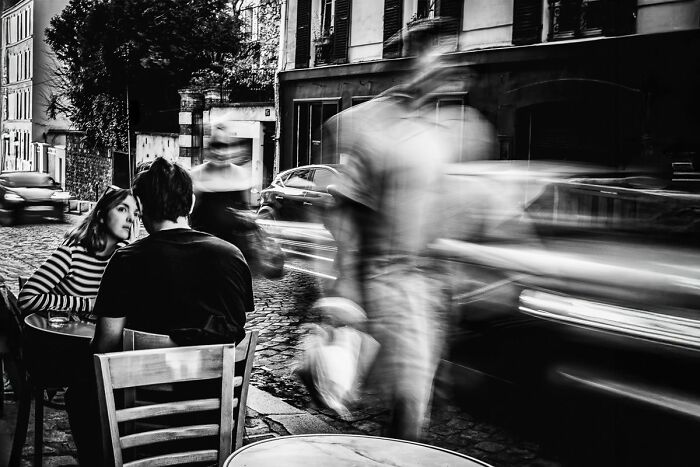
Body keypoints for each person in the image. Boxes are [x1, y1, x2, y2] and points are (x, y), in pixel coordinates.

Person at [66, 157, 253, 465]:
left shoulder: (127, 262)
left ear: (141, 208)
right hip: (213, 409)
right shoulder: (232, 257)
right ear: (190, 202)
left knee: (78, 393)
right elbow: (235, 330)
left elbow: (104, 347)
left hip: (140, 411)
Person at [317, 52, 458, 442]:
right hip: (388, 276)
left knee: (414, 397)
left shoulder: (438, 134)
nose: (446, 72)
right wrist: (347, 281)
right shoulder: (373, 130)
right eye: (437, 62)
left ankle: (398, 440)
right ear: (413, 68)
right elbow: (344, 211)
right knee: (409, 398)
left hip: (423, 283)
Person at [18, 186, 138, 317]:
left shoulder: (124, 259)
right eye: (122, 209)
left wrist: (130, 252)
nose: (131, 218)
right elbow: (26, 299)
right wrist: (88, 304)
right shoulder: (73, 253)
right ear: (101, 215)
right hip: (64, 334)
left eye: (136, 213)